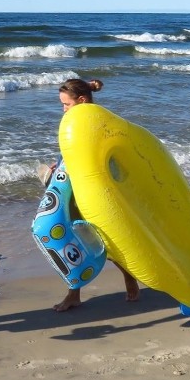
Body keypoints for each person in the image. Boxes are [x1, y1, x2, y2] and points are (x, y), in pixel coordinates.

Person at [49, 78, 141, 312]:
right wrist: (57, 167)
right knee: (73, 241)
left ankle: (129, 274)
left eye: (67, 105)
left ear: (82, 101)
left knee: (104, 240)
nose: (63, 109)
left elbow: (106, 156)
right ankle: (74, 293)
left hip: (93, 192)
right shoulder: (73, 123)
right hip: (72, 190)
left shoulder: (96, 124)